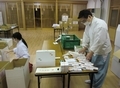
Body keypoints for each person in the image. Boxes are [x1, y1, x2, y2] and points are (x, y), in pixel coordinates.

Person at [78, 9, 112, 88]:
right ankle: (92, 80)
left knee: (100, 69)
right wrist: (84, 47)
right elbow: (86, 35)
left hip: (102, 51)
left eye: (84, 20)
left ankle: (96, 86)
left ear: (89, 16)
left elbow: (100, 41)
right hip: (93, 50)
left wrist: (91, 52)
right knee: (92, 66)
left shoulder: (101, 24)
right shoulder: (88, 24)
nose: (83, 23)